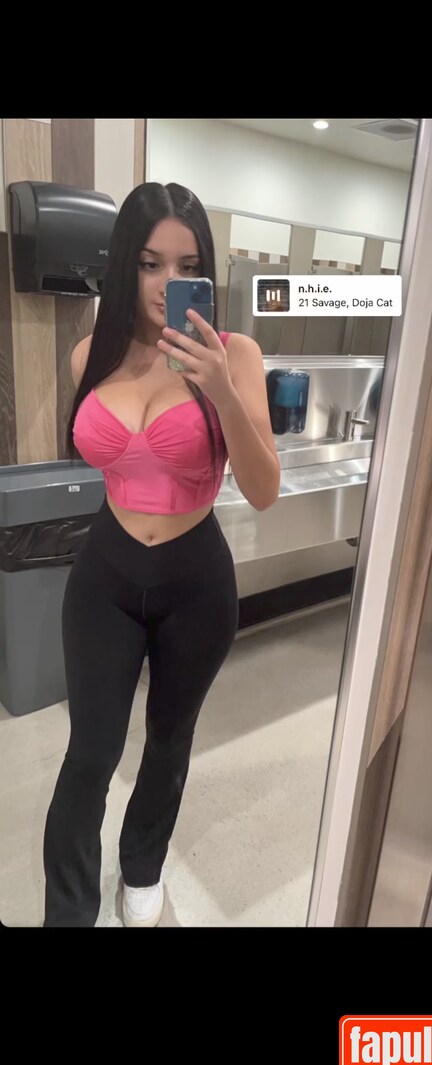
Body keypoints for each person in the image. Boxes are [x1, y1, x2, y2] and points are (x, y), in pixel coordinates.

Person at [42, 182, 280, 927]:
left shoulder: (236, 354)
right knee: (91, 752)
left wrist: (222, 393)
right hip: (106, 572)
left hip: (194, 579)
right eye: (150, 263)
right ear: (125, 265)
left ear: (207, 273)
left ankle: (142, 867)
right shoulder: (92, 354)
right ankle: (68, 907)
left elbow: (264, 489)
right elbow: (95, 452)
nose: (167, 283)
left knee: (169, 740)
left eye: (188, 266)